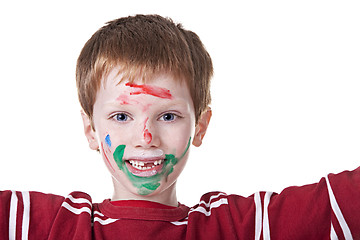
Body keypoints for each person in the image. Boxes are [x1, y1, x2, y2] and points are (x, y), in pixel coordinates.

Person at [1, 14, 359, 240]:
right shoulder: (47, 226)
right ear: (90, 129)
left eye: (168, 116)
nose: (146, 137)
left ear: (200, 126)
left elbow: (342, 202)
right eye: (121, 117)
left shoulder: (234, 228)